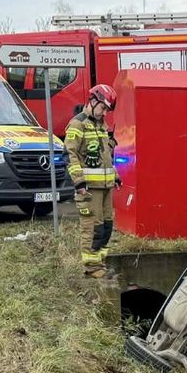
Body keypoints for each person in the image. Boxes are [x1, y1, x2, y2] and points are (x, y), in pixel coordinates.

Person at [65, 83, 120, 278]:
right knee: (93, 227)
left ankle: (100, 263)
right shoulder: (77, 124)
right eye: (103, 108)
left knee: (106, 226)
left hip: (106, 187)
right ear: (93, 100)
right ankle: (91, 267)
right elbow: (69, 154)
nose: (104, 113)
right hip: (89, 189)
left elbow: (106, 156)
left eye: (107, 110)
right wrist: (79, 182)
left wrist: (115, 176)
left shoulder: (101, 126)